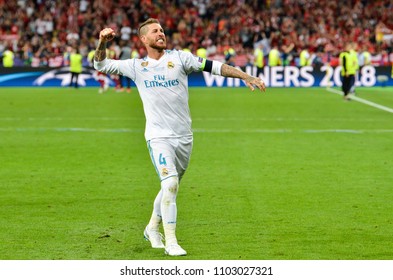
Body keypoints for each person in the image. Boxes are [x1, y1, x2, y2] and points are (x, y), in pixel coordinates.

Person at [94, 18, 265, 256]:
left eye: (162, 30)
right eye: (155, 31)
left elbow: (215, 67)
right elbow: (100, 64)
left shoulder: (180, 58)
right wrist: (102, 41)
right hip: (158, 137)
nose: (161, 33)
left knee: (170, 186)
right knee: (170, 183)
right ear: (144, 39)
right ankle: (171, 241)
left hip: (184, 137)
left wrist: (244, 75)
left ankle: (152, 228)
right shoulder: (136, 66)